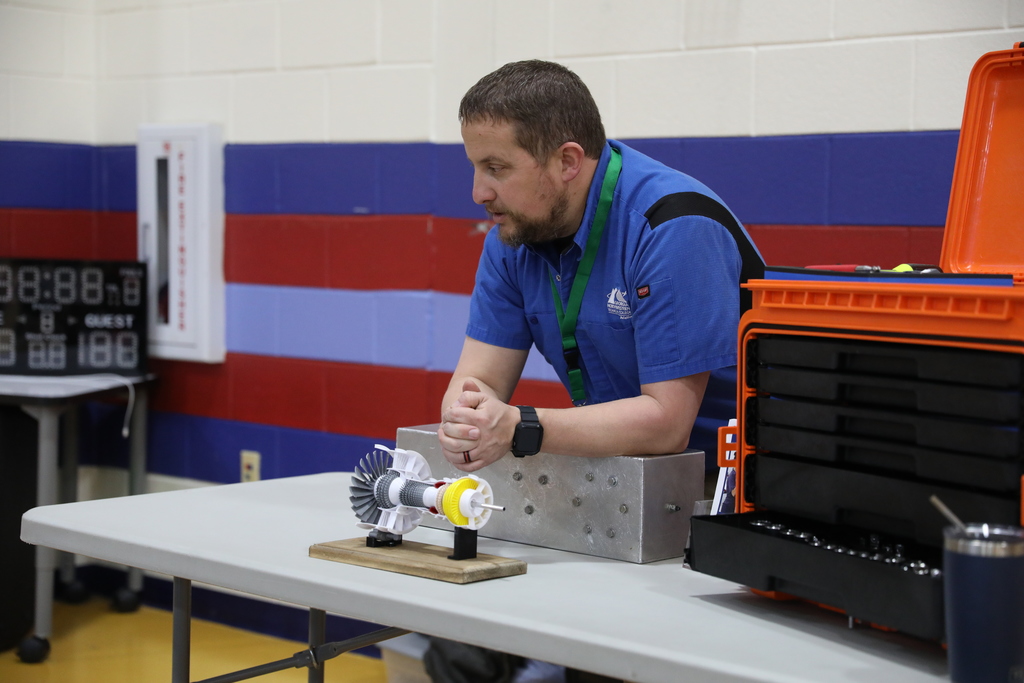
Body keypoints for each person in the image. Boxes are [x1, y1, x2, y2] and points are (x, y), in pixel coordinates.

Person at [437, 59, 756, 475]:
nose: (479, 192)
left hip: (741, 486)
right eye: (475, 168)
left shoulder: (673, 227)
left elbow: (667, 425)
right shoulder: (513, 236)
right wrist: (466, 421)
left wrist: (520, 426)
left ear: (568, 161)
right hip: (629, 479)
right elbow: (479, 384)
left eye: (497, 169)